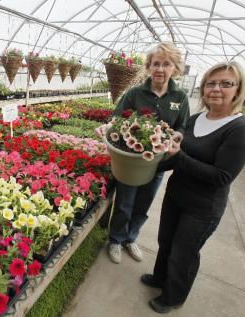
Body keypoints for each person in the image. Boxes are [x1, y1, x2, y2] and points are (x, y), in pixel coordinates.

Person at [141, 61, 245, 313]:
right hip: (176, 195)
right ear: (203, 89)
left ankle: (173, 297)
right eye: (211, 83)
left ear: (238, 90)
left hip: (202, 208)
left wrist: (178, 156)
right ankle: (160, 278)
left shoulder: (240, 129)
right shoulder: (196, 119)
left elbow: (222, 176)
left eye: (226, 84)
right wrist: (147, 166)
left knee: (184, 253)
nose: (216, 88)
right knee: (165, 242)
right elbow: (175, 157)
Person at [97, 42, 190, 264]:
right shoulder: (135, 93)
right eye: (155, 63)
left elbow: (182, 126)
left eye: (166, 64)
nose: (160, 69)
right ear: (148, 67)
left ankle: (131, 238)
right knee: (125, 202)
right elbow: (117, 119)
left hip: (158, 162)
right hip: (131, 161)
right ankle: (116, 240)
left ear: (175, 68)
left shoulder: (180, 98)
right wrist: (111, 128)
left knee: (144, 203)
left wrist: (176, 136)